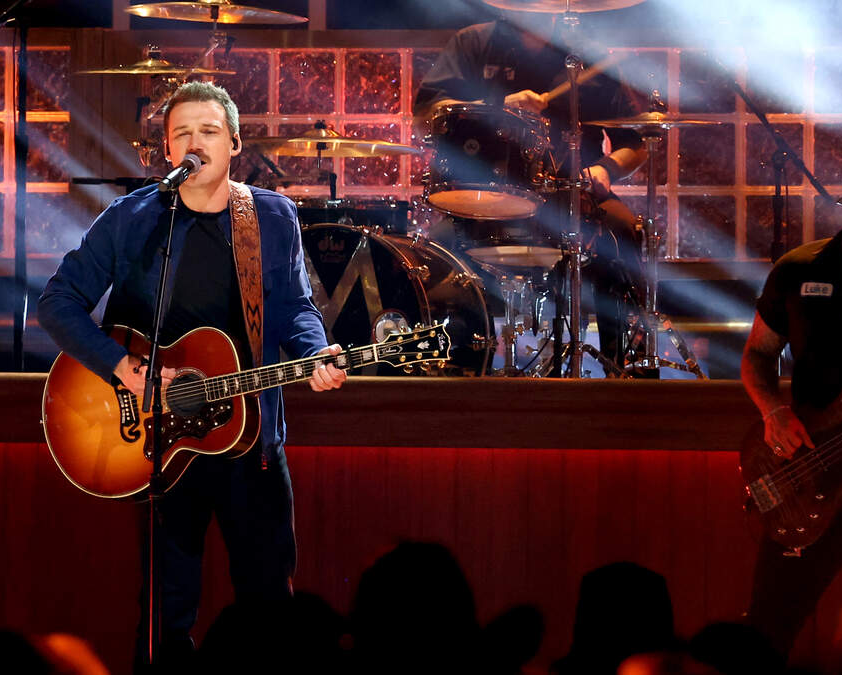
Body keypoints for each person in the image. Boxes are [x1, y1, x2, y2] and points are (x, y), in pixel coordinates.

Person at [37, 81, 346, 671]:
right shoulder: (134, 218)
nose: (195, 142)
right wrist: (125, 368)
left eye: (208, 131)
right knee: (165, 614)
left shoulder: (271, 216)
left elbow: (294, 307)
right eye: (182, 134)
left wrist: (315, 354)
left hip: (251, 441)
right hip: (157, 441)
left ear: (234, 143)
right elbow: (58, 303)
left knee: (269, 609)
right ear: (167, 151)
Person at [415, 12, 649, 370]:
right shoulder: (473, 43)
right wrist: (496, 107)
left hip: (572, 196)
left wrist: (606, 168)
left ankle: (621, 367)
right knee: (435, 258)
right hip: (482, 199)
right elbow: (426, 114)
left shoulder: (588, 53)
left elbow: (636, 141)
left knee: (625, 233)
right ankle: (462, 367)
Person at [740, 223, 842, 658]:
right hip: (810, 473)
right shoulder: (799, 268)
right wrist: (773, 411)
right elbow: (758, 353)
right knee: (768, 628)